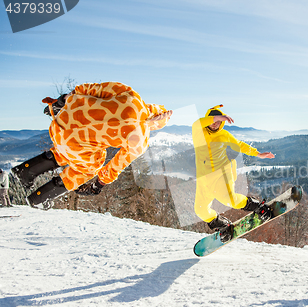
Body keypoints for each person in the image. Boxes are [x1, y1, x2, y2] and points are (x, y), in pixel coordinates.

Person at [12, 82, 172, 209]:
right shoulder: (140, 136)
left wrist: (61, 102)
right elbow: (115, 166)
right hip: (74, 144)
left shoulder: (130, 94)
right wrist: (98, 184)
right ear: (155, 125)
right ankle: (39, 198)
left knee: (69, 149)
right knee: (89, 165)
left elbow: (88, 89)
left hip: (61, 123)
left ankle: (25, 171)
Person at [192, 105, 275, 242]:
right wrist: (219, 116)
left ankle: (258, 206)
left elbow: (239, 145)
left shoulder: (224, 135)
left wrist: (258, 154)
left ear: (222, 123)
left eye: (219, 122)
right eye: (213, 120)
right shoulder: (198, 131)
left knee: (229, 200)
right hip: (204, 179)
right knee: (200, 210)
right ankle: (222, 224)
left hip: (222, 173)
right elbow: (197, 123)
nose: (215, 123)